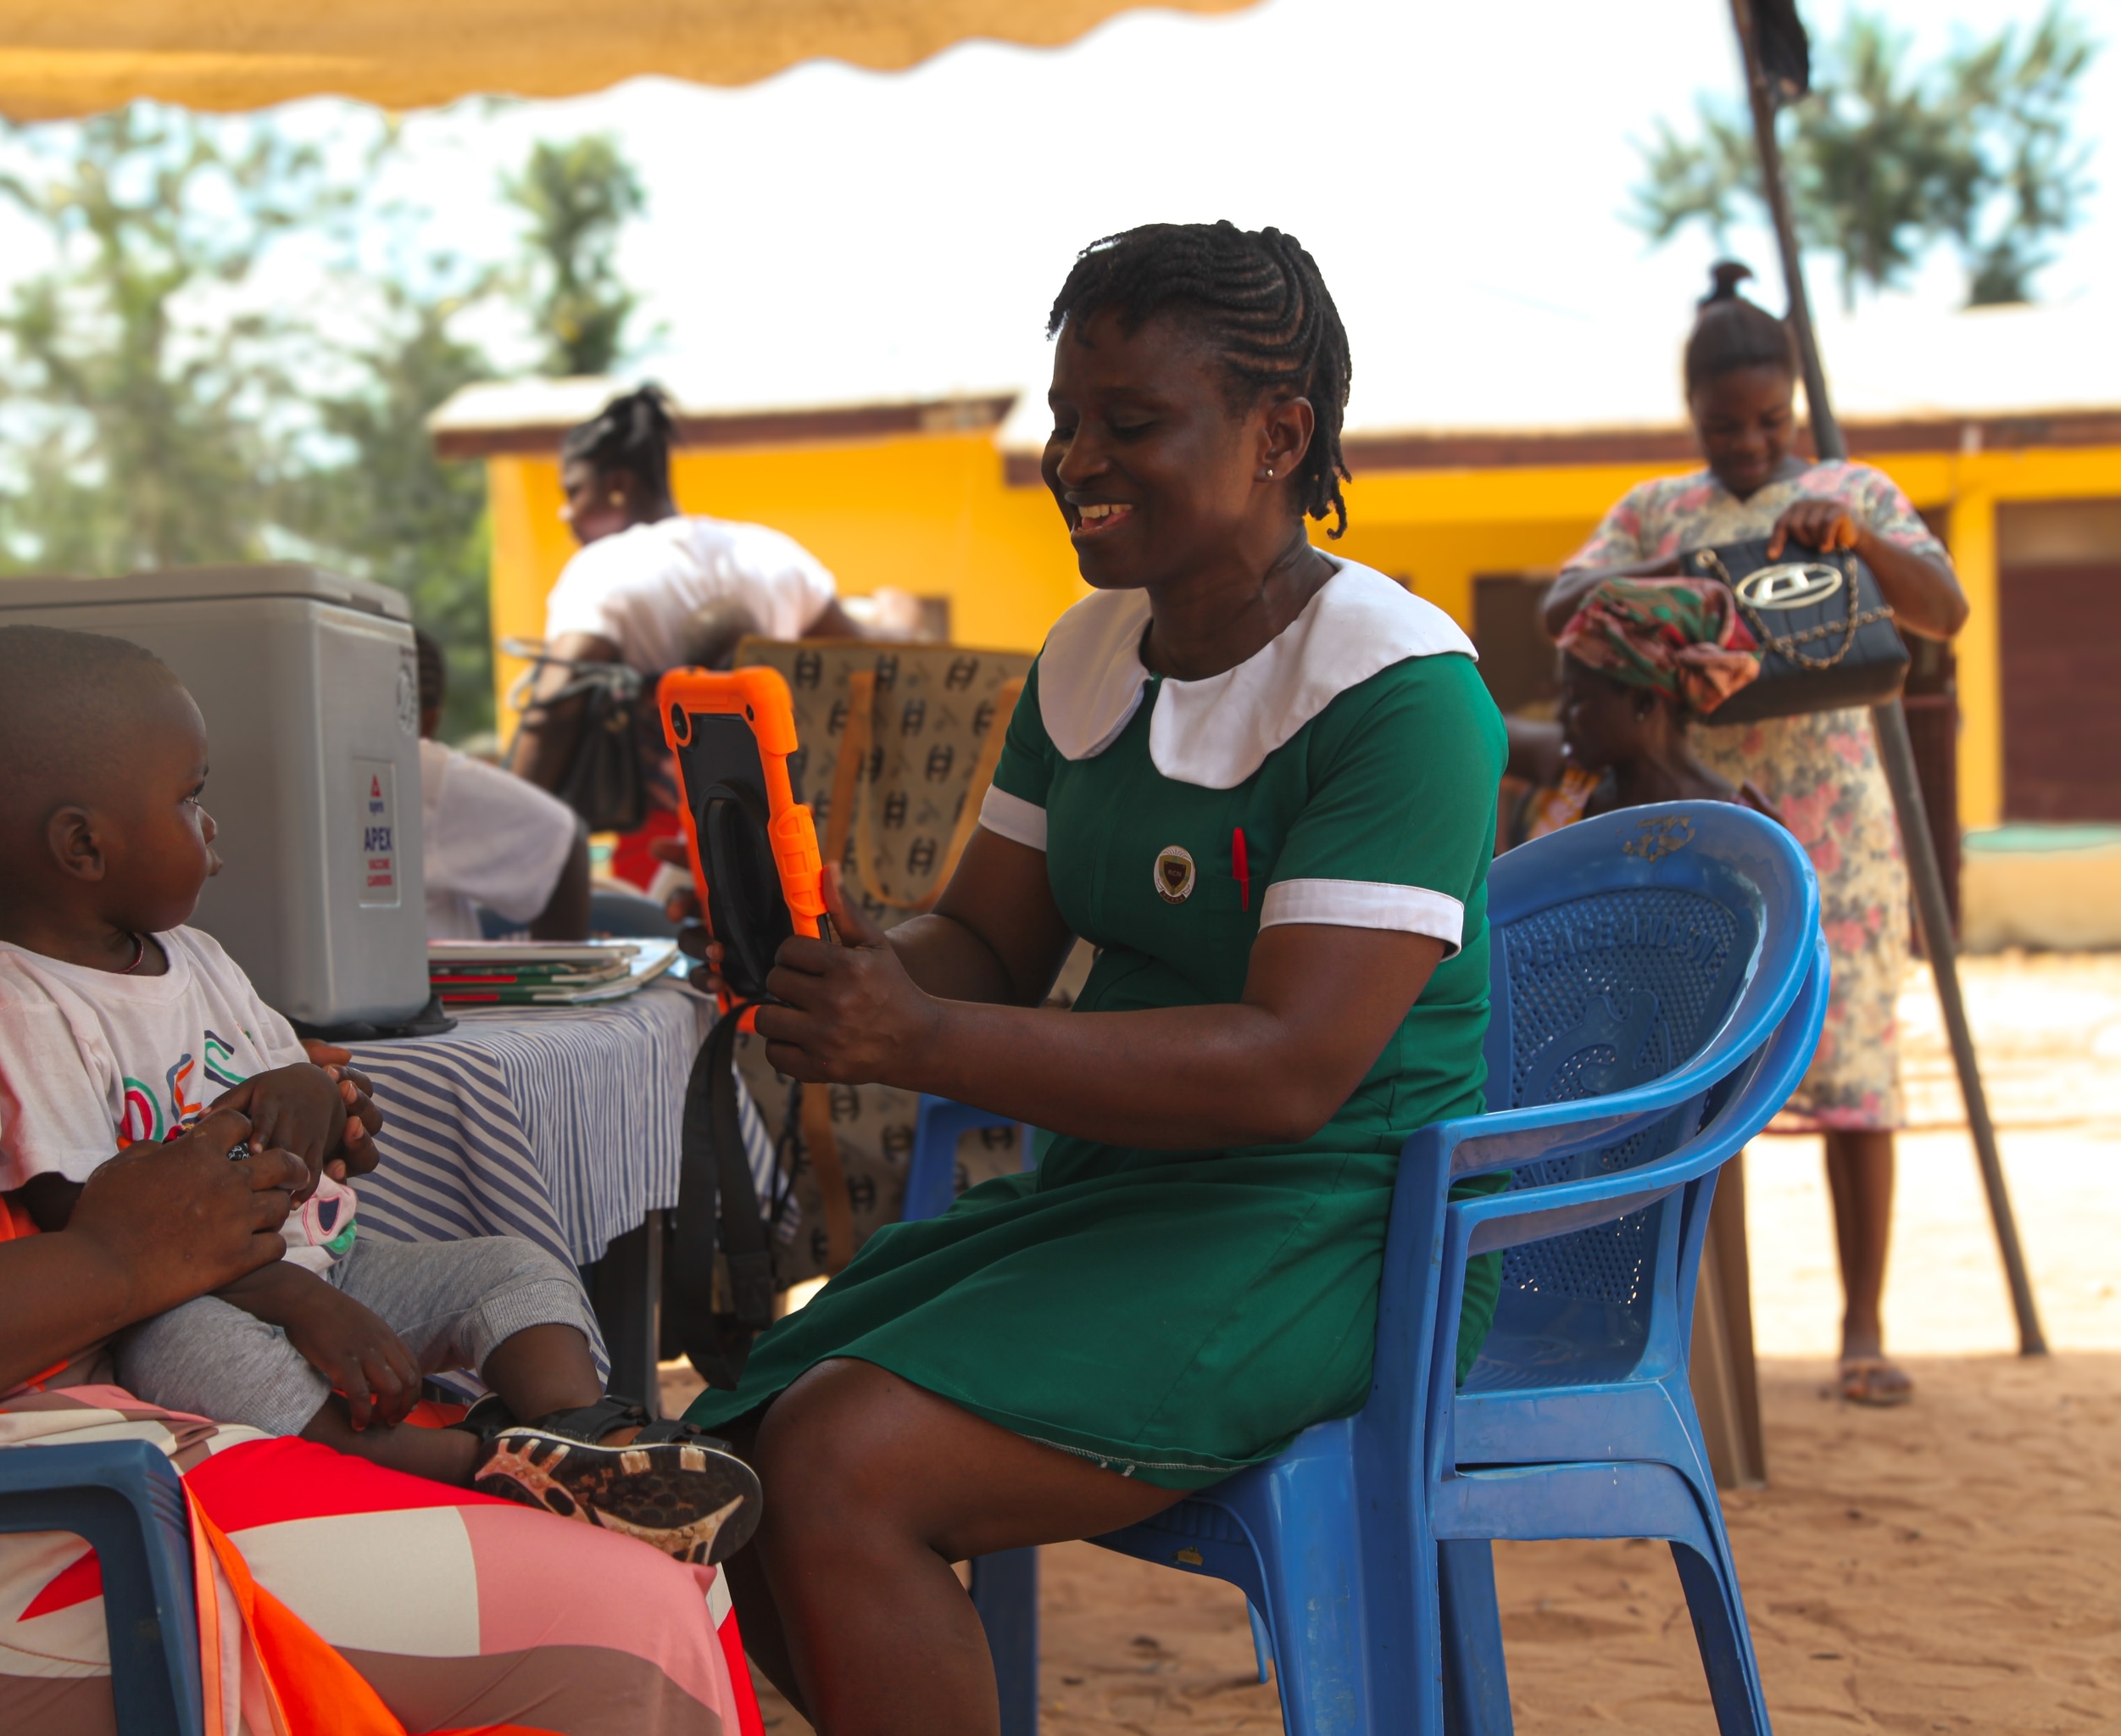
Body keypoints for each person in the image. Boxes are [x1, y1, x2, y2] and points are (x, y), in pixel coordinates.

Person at [0, 301, 757, 1732]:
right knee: (626, 1618)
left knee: (621, 1555)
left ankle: (535, 1451)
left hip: (4, 1434)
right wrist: (114, 1259)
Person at [683, 223, 1508, 1733]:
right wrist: (849, 957)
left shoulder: (1397, 694)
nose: (1076, 458)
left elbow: (1290, 1067)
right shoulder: (1086, 659)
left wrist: (922, 1038)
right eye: (1066, 419)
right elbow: (984, 943)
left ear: (1279, 436)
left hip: (1331, 1229)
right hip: (1115, 1197)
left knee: (841, 1460)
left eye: (1131, 424)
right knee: (722, 1454)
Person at [0, 623, 757, 1559]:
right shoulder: (23, 1005)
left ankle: (585, 1437)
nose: (211, 823)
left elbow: (324, 1118)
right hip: (191, 1302)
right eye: (191, 798)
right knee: (192, 1357)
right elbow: (85, 1214)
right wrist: (301, 1303)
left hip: (336, 1264)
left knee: (514, 1263)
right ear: (83, 845)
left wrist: (328, 1107)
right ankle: (482, 1465)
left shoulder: (200, 960)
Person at [1539, 264, 1968, 1408]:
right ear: (1693, 415)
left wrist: (1860, 545)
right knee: (1688, 1078)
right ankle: (1690, 1343)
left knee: (1856, 1080)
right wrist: (1672, 582)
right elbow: (1561, 607)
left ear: (1794, 405)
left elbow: (1945, 608)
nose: (1750, 443)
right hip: (1702, 838)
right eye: (1725, 425)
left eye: (1770, 421)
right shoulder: (1657, 513)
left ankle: (1862, 1331)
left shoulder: (1849, 490)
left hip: (1838, 837)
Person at [510, 387, 861, 887]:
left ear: (616, 485)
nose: (565, 514)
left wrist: (510, 824)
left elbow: (555, 711)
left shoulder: (603, 569)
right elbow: (860, 664)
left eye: (573, 493)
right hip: (792, 834)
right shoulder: (774, 555)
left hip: (664, 849)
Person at [1501, 576, 1779, 849]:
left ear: (1644, 702)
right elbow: (1482, 734)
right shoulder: (1576, 774)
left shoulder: (1730, 830)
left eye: (1577, 699)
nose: (1561, 714)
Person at [412, 629, 593, 940]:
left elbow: (562, 836)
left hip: (435, 988)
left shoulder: (419, 771)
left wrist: (555, 982)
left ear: (425, 724)